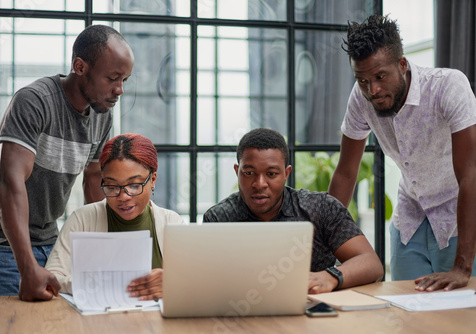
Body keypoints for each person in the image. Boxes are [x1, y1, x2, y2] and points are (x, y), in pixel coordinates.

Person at [0, 24, 135, 301]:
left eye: (125, 80)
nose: (119, 90)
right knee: (9, 325)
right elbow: (10, 184)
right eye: (112, 78)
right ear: (80, 66)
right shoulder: (34, 102)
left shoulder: (101, 114)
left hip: (51, 239)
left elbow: (94, 178)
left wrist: (100, 249)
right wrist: (27, 268)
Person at [328, 15, 476, 292]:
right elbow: (346, 173)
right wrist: (322, 248)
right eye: (362, 80)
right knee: (408, 313)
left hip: (461, 220)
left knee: (461, 319)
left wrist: (461, 267)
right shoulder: (361, 98)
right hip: (411, 221)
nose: (373, 90)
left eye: (380, 76)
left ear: (402, 64)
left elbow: (470, 175)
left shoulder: (448, 86)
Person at [203, 128, 383, 294]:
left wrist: (330, 276)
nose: (260, 184)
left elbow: (371, 264)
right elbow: (207, 282)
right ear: (237, 172)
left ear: (286, 173)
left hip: (314, 313)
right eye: (249, 173)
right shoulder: (219, 218)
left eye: (271, 174)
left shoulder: (321, 207)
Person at [45, 133, 185, 301]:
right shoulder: (82, 219)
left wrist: (172, 282)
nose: (123, 196)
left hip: (155, 323)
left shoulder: (172, 222)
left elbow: (192, 280)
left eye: (134, 185)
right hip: (96, 323)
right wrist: (90, 283)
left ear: (152, 179)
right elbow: (52, 278)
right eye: (111, 186)